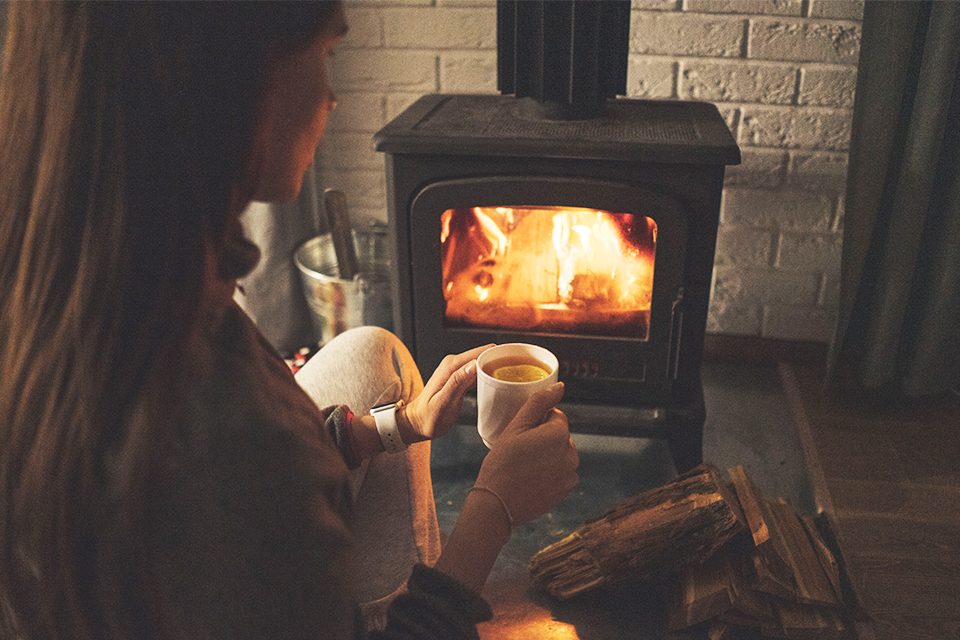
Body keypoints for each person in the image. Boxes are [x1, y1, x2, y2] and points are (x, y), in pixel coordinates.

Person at [0, 2, 580, 639]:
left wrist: (396, 428)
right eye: (326, 55)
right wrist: (492, 509)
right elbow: (241, 481)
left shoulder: (113, 273)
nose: (332, 99)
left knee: (373, 354)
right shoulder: (233, 441)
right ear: (231, 79)